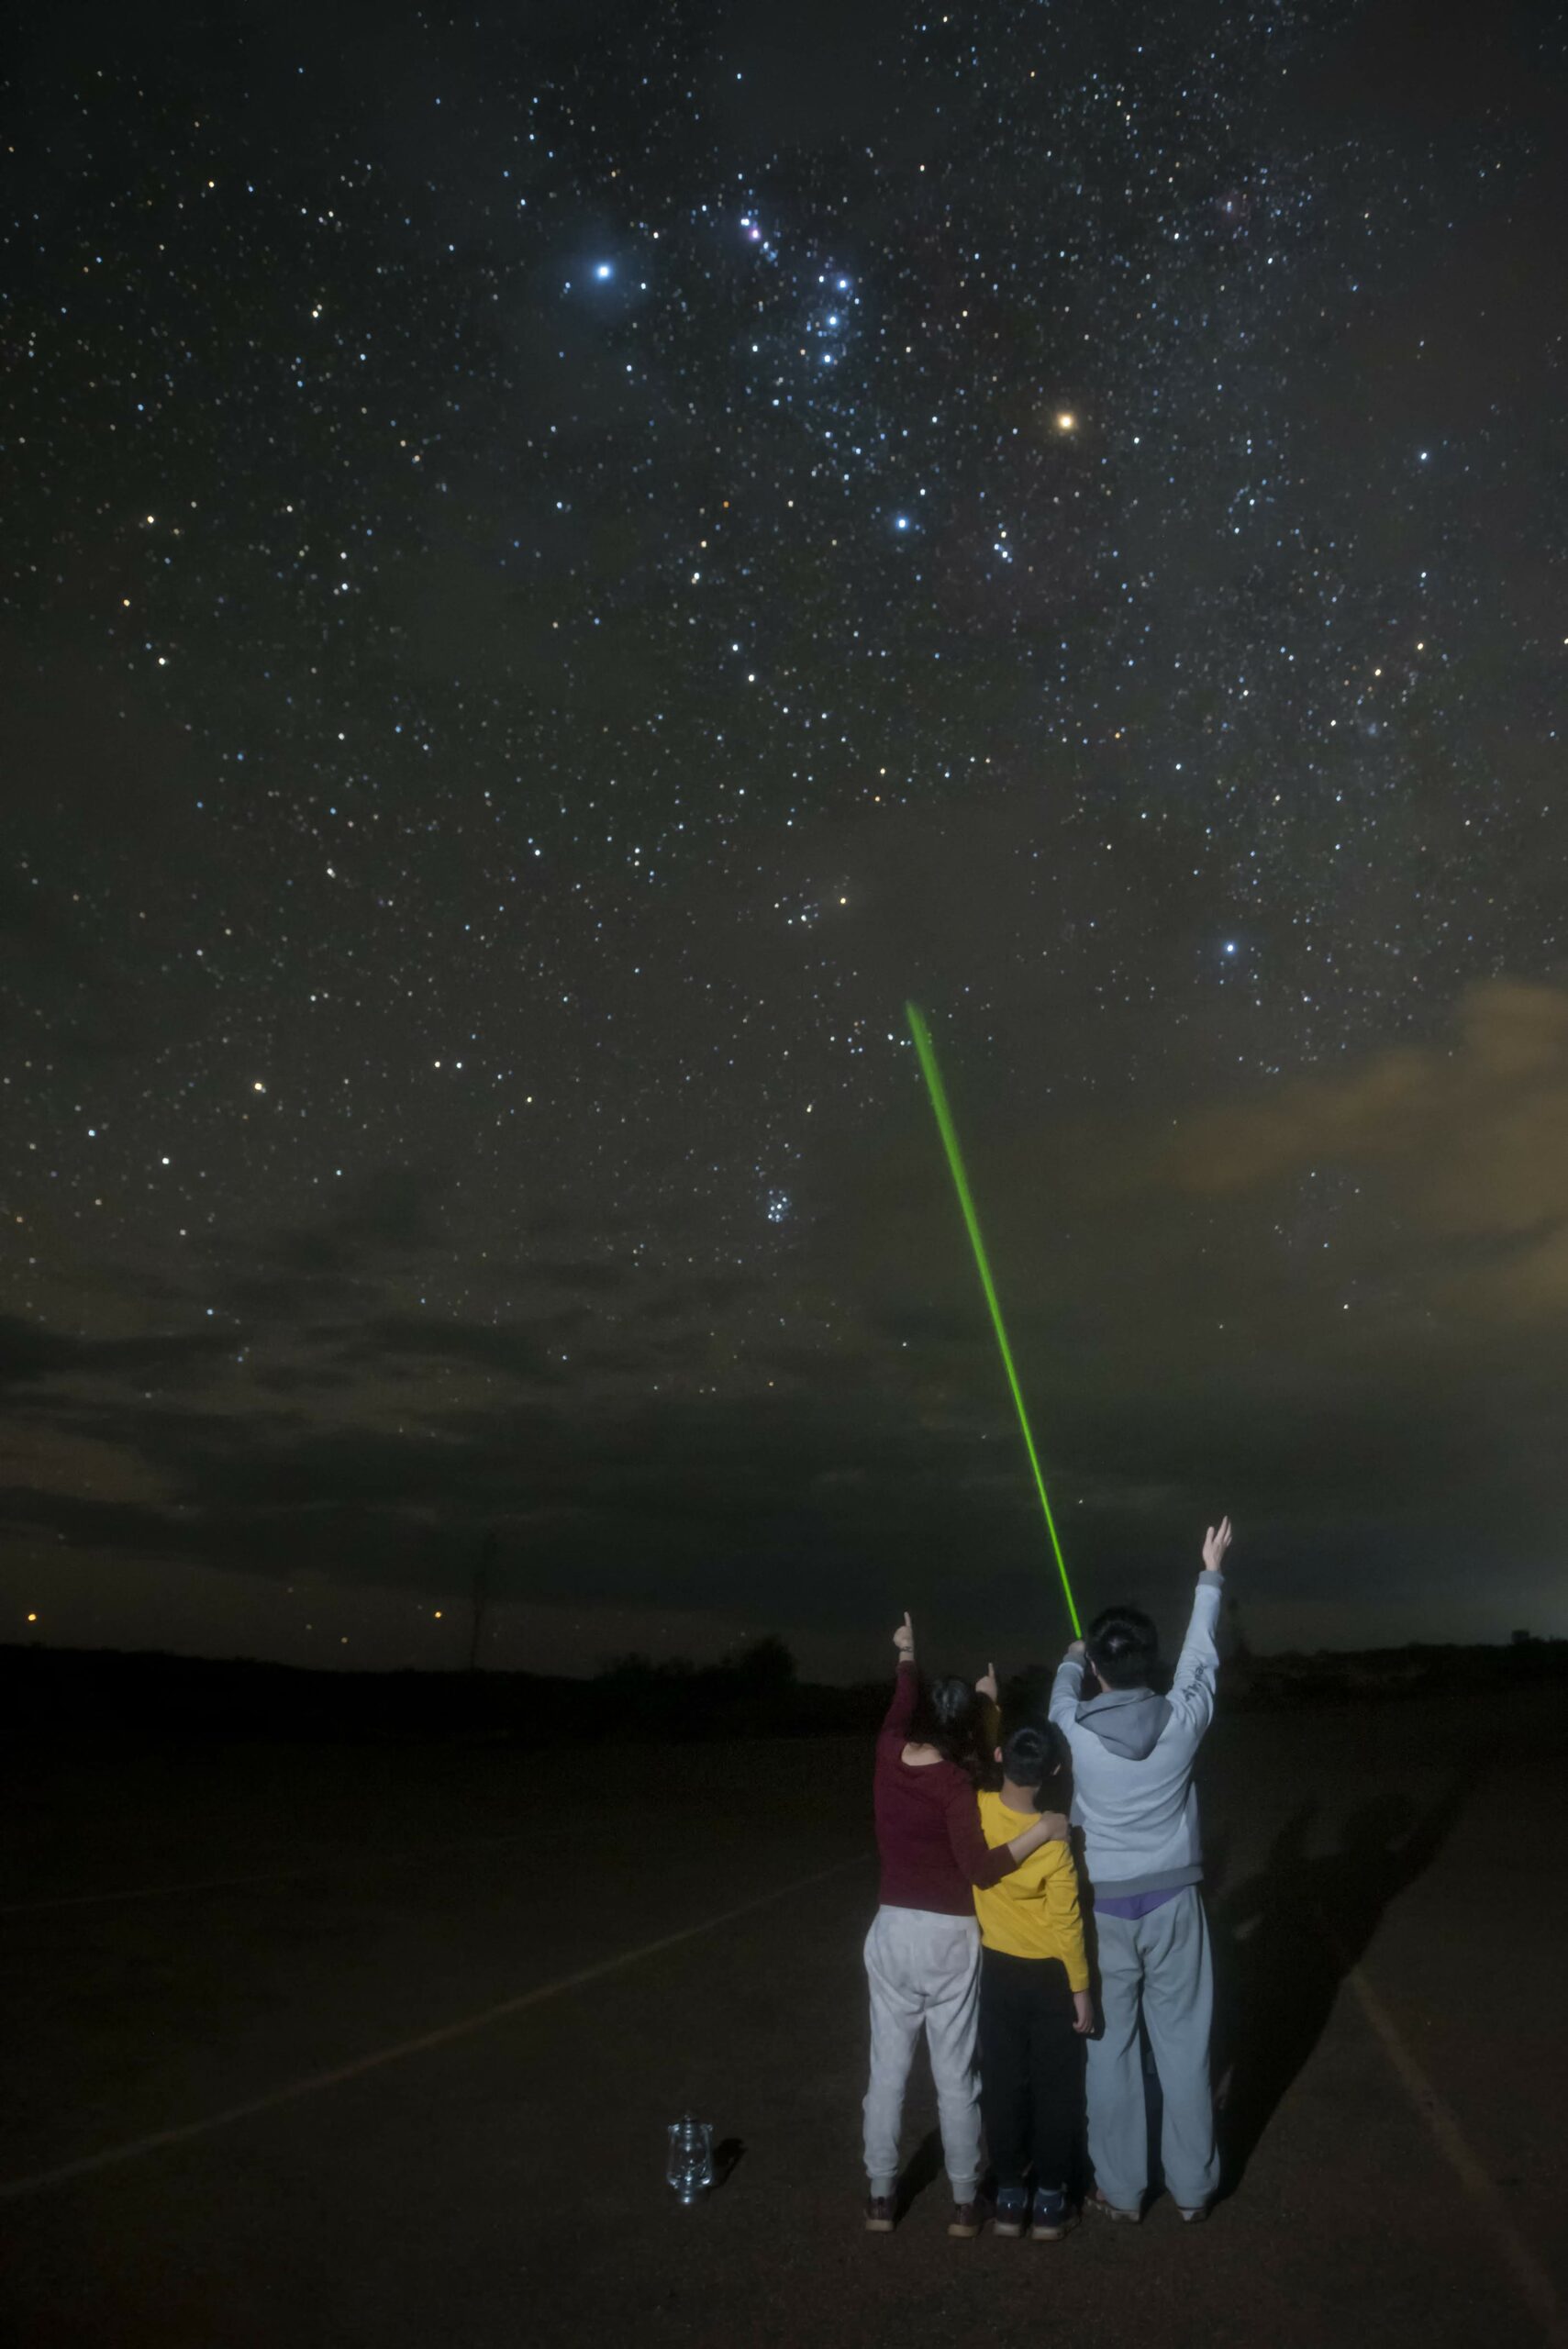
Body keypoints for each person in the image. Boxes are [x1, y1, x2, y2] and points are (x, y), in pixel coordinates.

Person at [1049, 1516, 1233, 2224]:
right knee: (1185, 2048)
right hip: (1172, 1907)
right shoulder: (1183, 1718)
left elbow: (1063, 1686)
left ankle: (1121, 2190)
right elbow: (1199, 1658)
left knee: (1108, 2051)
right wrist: (1208, 1573)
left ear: (1097, 1666)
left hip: (1103, 1912)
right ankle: (1191, 2190)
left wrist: (1072, 1652)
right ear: (1146, 1665)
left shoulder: (1071, 1726)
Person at [863, 1612, 1066, 2239]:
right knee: (955, 2076)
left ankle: (879, 2198)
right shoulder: (956, 1785)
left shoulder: (889, 1750)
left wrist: (906, 1656)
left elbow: (900, 1708)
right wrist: (1042, 1831)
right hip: (948, 1936)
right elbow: (980, 1870)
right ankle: (960, 2202)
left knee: (886, 2073)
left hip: (891, 1931)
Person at [973, 1711, 1094, 2242]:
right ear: (1056, 1770)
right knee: (1055, 2089)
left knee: (1001, 2086)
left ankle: (1006, 2196)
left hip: (997, 1974)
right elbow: (1067, 1923)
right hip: (1049, 1978)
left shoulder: (974, 1813)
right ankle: (1049, 2201)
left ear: (1000, 1756)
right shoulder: (1056, 1842)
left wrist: (989, 1709)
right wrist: (1081, 1989)